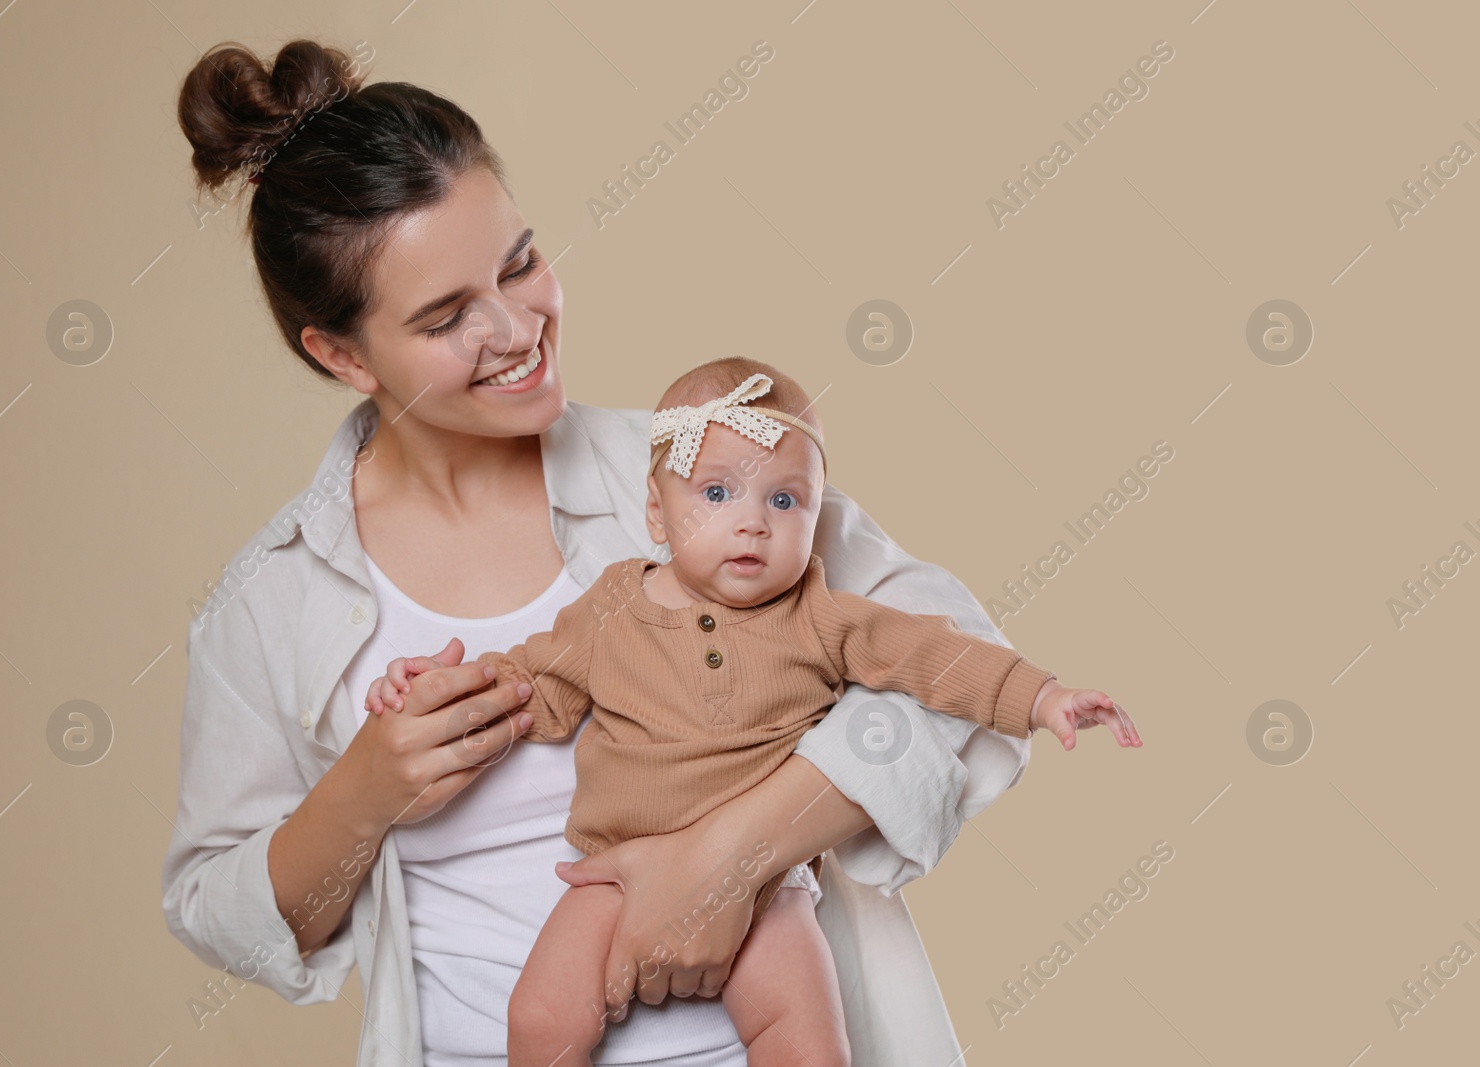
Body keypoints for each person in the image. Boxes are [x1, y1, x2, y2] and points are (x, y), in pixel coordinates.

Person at [161, 38, 1129, 1067]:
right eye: (447, 316)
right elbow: (218, 909)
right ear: (341, 353)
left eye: (520, 262)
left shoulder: (702, 471)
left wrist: (730, 855)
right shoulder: (272, 597)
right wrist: (361, 792)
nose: (514, 326)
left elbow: (947, 665)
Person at [362, 359, 1139, 1065]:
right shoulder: (613, 610)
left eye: (785, 498)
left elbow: (933, 654)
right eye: (716, 493)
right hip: (614, 876)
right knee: (539, 1018)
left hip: (770, 888)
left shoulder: (822, 617)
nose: (754, 521)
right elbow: (529, 680)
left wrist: (1041, 695)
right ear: (658, 517)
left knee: (807, 1042)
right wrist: (436, 690)